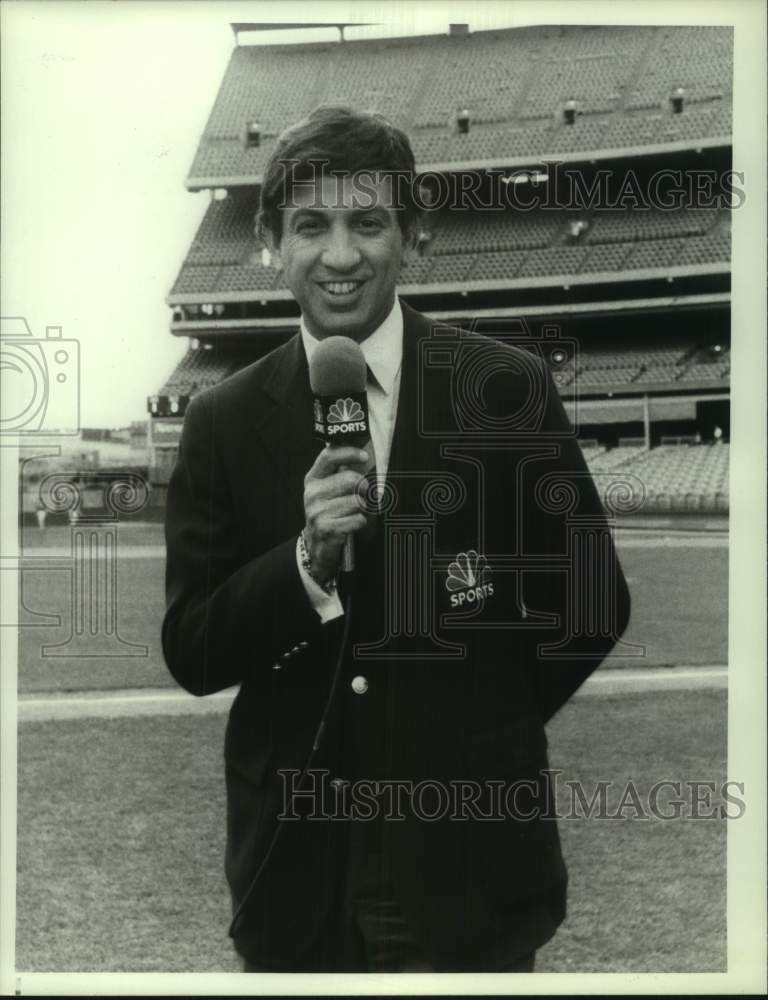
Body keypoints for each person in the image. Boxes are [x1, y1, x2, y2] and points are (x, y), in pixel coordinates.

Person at [162, 106, 631, 973]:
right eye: (311, 226)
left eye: (368, 222)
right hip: (298, 867)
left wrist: (472, 734)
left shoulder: (505, 389)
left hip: (470, 858)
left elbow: (591, 601)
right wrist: (304, 567)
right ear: (270, 240)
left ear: (413, 233)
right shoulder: (220, 422)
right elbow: (192, 649)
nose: (340, 255)